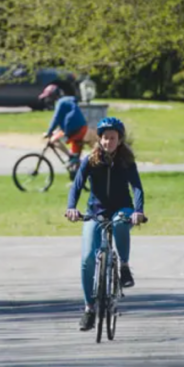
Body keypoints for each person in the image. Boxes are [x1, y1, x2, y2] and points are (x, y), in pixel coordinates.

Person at [65, 116, 147, 331]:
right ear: (99, 140)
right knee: (87, 259)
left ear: (119, 140)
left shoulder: (127, 161)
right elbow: (77, 185)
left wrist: (138, 211)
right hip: (96, 211)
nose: (108, 142)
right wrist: (72, 207)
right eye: (104, 138)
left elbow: (137, 188)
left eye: (113, 138)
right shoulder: (90, 160)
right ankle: (89, 309)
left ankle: (124, 266)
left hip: (122, 208)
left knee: (120, 222)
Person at [39, 84, 87, 172]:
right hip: (81, 128)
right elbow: (63, 120)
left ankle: (71, 157)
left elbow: (56, 119)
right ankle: (74, 168)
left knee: (53, 140)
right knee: (75, 158)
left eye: (48, 97)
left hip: (76, 130)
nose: (48, 100)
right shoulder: (66, 101)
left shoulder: (60, 103)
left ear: (53, 96)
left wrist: (49, 132)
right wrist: (55, 130)